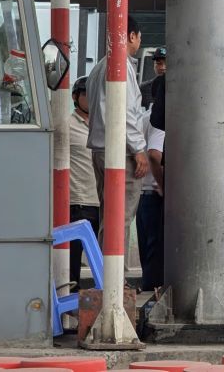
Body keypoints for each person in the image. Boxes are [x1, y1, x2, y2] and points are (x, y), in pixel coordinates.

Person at [86, 15, 149, 261]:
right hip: (120, 150)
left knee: (109, 215)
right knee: (120, 217)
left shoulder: (100, 66)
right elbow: (126, 112)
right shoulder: (120, 65)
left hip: (101, 150)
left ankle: (106, 274)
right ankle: (115, 278)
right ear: (132, 36)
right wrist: (138, 148)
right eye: (139, 37)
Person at [68, 76, 100, 291]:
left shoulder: (104, 124)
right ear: (75, 97)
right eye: (86, 94)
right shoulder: (66, 125)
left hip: (102, 200)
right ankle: (68, 311)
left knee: (105, 262)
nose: (91, 98)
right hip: (79, 202)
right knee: (71, 263)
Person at [136, 108, 165, 291]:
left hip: (144, 194)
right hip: (156, 195)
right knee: (156, 268)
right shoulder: (160, 118)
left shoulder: (143, 117)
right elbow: (155, 155)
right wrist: (164, 184)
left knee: (148, 260)